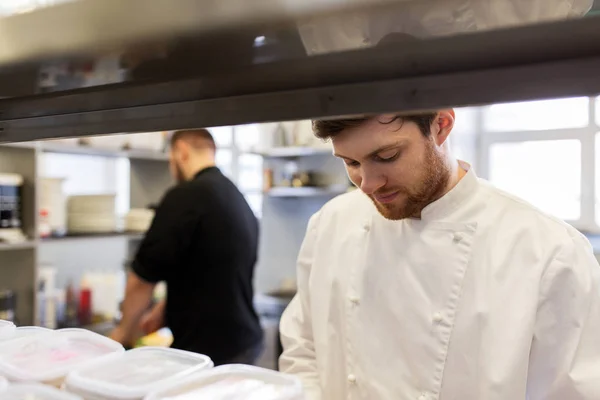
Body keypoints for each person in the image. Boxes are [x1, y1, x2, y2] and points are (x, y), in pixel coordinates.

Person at [279, 111, 600, 399]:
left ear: (441, 126)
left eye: (387, 156)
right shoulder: (330, 225)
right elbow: (302, 354)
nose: (368, 184)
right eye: (351, 162)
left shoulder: (549, 252)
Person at [110, 128, 264, 366]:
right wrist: (166, 309)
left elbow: (142, 279)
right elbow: (213, 273)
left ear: (180, 152)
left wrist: (121, 335)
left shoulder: (184, 196)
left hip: (206, 353)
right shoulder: (237, 197)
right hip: (244, 344)